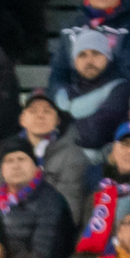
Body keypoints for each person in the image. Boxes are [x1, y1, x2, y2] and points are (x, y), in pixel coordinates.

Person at [0, 136, 72, 258]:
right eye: (9, 161)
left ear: (35, 166)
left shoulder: (51, 202)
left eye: (21, 159)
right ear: (1, 169)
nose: (16, 165)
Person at [47, 0, 130, 93]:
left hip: (118, 107)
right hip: (72, 106)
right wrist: (64, 99)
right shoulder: (70, 27)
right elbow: (58, 76)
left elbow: (129, 76)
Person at [52, 27, 130, 150]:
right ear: (74, 62)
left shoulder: (121, 89)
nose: (89, 61)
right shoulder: (65, 93)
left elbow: (95, 133)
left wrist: (68, 119)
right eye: (82, 55)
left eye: (96, 53)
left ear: (108, 57)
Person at [17, 86, 90, 218]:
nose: (40, 116)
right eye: (33, 111)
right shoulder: (9, 151)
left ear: (58, 120)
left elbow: (69, 211)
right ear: (22, 119)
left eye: (47, 111)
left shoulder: (72, 155)